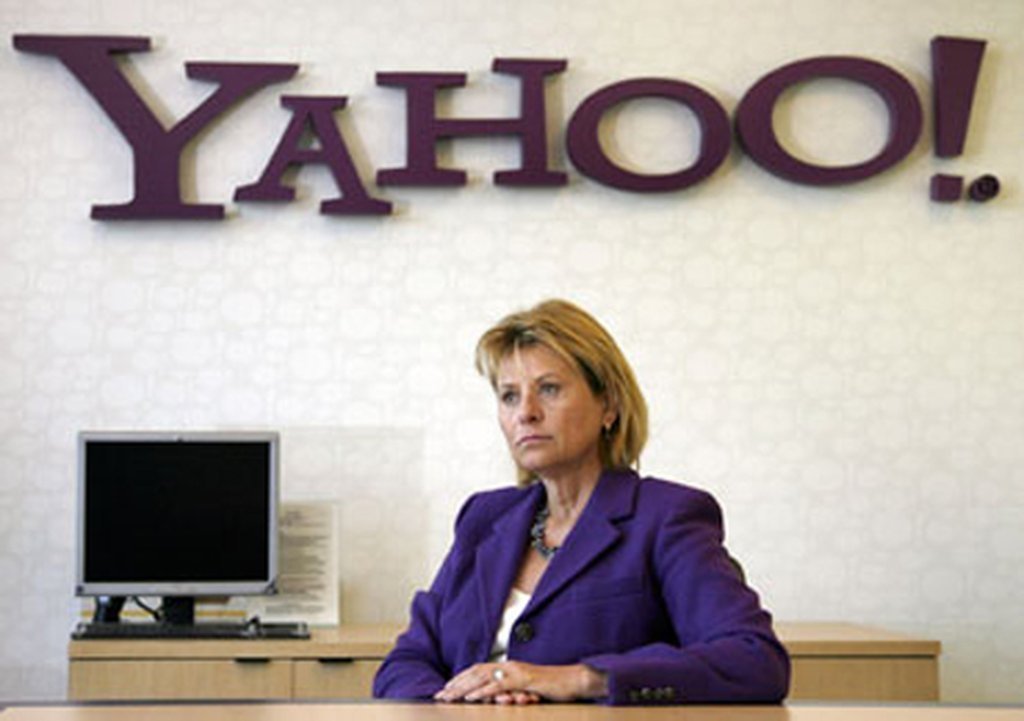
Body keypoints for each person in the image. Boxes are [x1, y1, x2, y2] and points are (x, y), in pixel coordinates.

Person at [372, 299, 790, 705]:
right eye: (509, 396)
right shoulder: (483, 518)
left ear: (608, 405)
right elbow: (405, 663)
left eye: (549, 389)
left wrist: (575, 679)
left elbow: (754, 659)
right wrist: (459, 705)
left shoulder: (666, 516)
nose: (526, 412)